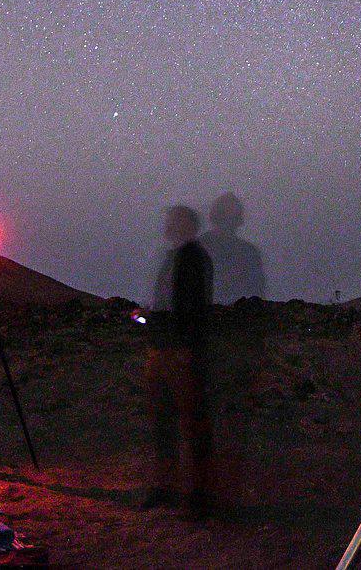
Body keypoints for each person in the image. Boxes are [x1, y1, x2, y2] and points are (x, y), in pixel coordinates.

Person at [141, 205, 214, 519]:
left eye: (174, 221)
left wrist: (182, 340)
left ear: (188, 225)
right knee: (163, 422)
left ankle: (200, 494)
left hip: (181, 352)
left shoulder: (195, 259)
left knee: (191, 422)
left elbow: (194, 307)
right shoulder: (174, 259)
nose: (168, 226)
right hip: (164, 350)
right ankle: (167, 486)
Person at [199, 192, 266, 304]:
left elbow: (256, 292)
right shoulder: (198, 248)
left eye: (232, 217)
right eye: (224, 215)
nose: (227, 221)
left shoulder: (249, 252)